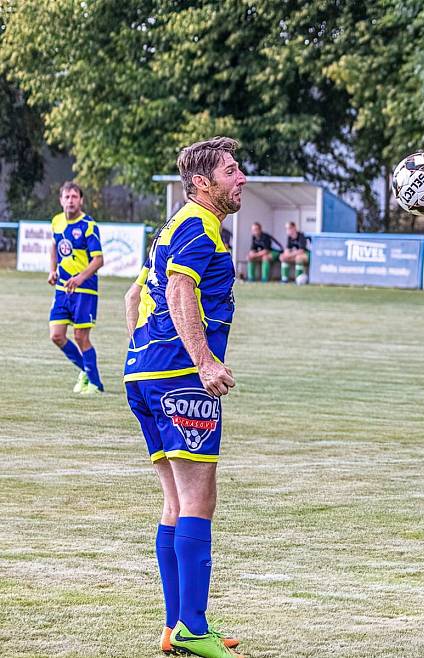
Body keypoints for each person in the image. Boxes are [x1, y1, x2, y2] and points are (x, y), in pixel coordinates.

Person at [123, 136, 245, 658]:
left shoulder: (172, 225)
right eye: (232, 171)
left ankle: (176, 626)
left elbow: (134, 296)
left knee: (175, 501)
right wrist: (203, 361)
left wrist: (139, 355)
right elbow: (178, 290)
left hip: (143, 375)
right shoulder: (201, 225)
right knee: (198, 500)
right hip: (179, 379)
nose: (242, 179)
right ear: (203, 182)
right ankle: (195, 627)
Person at [47, 181, 105, 394]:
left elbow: (98, 260)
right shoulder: (57, 222)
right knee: (57, 335)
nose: (70, 201)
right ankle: (88, 372)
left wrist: (80, 278)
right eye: (67, 197)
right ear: (61, 200)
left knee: (81, 337)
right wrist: (52, 270)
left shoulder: (88, 225)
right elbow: (53, 246)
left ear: (81, 200)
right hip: (62, 289)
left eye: (74, 197)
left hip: (84, 290)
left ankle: (96, 385)